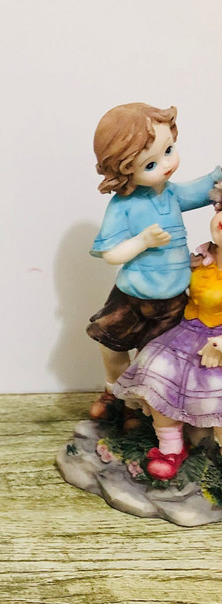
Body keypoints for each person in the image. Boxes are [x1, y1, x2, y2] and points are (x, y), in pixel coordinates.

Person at [87, 103, 222, 421]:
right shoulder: (123, 206)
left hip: (173, 300)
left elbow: (203, 188)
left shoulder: (172, 194)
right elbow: (111, 254)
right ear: (123, 169)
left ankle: (142, 409)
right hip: (132, 295)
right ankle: (114, 394)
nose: (166, 165)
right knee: (111, 346)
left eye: (169, 150)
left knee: (153, 360)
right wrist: (142, 242)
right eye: (150, 164)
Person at [112, 183, 222, 479]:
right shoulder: (203, 257)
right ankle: (171, 446)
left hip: (217, 343)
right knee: (154, 370)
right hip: (187, 333)